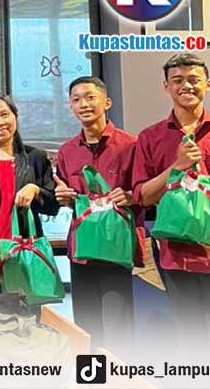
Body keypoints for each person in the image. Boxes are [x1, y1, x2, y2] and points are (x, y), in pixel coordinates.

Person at [132, 53, 210, 360]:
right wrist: (175, 166)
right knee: (190, 343)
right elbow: (142, 196)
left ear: (208, 84)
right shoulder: (149, 137)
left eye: (193, 79)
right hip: (175, 256)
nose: (186, 86)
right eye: (177, 80)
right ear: (166, 86)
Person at [54, 76, 143, 356]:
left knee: (119, 331)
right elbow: (68, 198)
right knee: (86, 330)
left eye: (90, 97)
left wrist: (131, 196)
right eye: (76, 99)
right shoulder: (66, 151)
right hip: (81, 250)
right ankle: (90, 377)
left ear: (107, 102)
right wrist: (64, 198)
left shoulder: (131, 145)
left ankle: (120, 377)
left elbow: (144, 192)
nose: (84, 104)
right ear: (71, 107)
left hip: (116, 249)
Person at [0, 92, 59, 296]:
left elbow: (53, 206)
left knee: (27, 313)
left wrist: (36, 190)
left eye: (5, 115)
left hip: (25, 253)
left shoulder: (36, 157)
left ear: (16, 116)